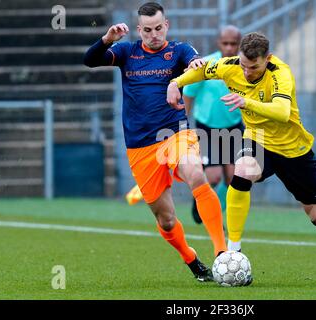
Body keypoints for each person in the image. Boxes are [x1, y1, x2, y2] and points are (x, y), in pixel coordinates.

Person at [167, 32, 316, 285]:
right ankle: (234, 250)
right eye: (243, 65)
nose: (246, 72)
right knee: (241, 170)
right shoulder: (231, 66)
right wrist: (176, 82)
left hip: (294, 150)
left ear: (268, 59)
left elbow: (282, 112)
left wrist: (246, 102)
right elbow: (201, 72)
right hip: (259, 140)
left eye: (253, 67)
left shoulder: (280, 73)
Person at [84, 2, 228, 282]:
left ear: (167, 25)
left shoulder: (180, 50)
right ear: (139, 30)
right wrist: (106, 40)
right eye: (147, 30)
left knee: (196, 174)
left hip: (174, 134)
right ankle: (191, 259)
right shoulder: (127, 52)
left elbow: (196, 63)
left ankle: (222, 253)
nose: (154, 34)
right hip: (140, 146)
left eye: (158, 28)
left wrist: (196, 65)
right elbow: (90, 60)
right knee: (167, 220)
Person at [182, 25, 243, 224]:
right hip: (207, 127)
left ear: (239, 44)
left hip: (233, 126)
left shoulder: (245, 67)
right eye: (225, 43)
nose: (229, 47)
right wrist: (182, 126)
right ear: (219, 43)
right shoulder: (207, 64)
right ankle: (199, 201)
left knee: (235, 178)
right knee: (214, 176)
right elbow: (189, 94)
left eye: (233, 44)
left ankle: (215, 215)